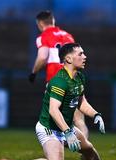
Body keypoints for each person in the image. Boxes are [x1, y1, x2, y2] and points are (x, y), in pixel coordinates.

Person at [0, 43, 116, 160]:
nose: (84, 56)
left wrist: (95, 114)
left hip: (66, 127)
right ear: (68, 59)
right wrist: (68, 132)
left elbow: (81, 102)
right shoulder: (60, 81)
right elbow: (53, 110)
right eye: (80, 54)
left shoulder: (79, 77)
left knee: (88, 148)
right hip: (50, 128)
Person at [28, 10, 89, 139]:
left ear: (40, 23)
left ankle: (54, 148)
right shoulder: (68, 36)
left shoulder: (43, 36)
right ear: (53, 20)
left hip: (56, 80)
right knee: (78, 118)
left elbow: (43, 57)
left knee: (51, 116)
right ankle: (86, 149)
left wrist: (33, 73)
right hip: (72, 78)